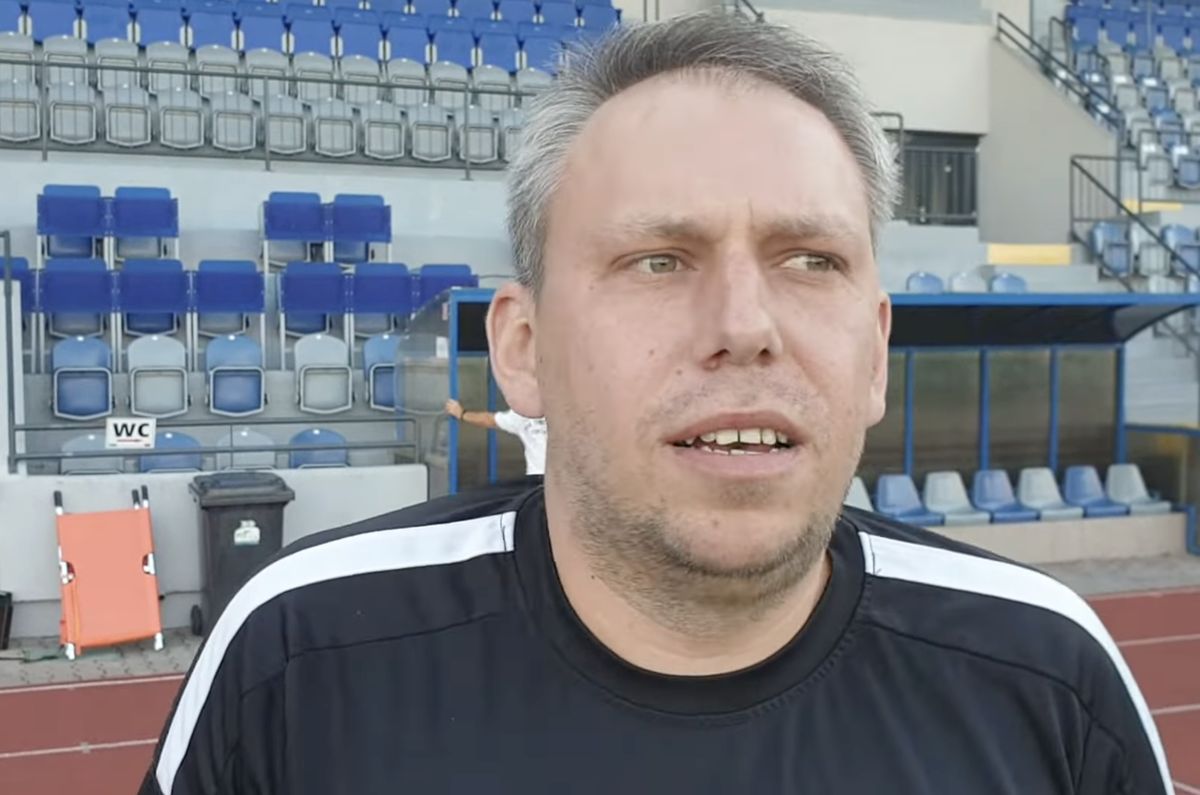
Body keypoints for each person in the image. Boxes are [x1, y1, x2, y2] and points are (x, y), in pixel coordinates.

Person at [140, 12, 1170, 794]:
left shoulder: (1052, 679)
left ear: (875, 354)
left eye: (810, 259)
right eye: (658, 260)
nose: (746, 323)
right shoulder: (299, 658)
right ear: (523, 349)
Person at [443, 397, 546, 475]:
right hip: (539, 482)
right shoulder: (525, 415)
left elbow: (490, 420)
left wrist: (462, 414)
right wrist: (462, 414)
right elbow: (490, 420)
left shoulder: (526, 414)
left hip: (541, 481)